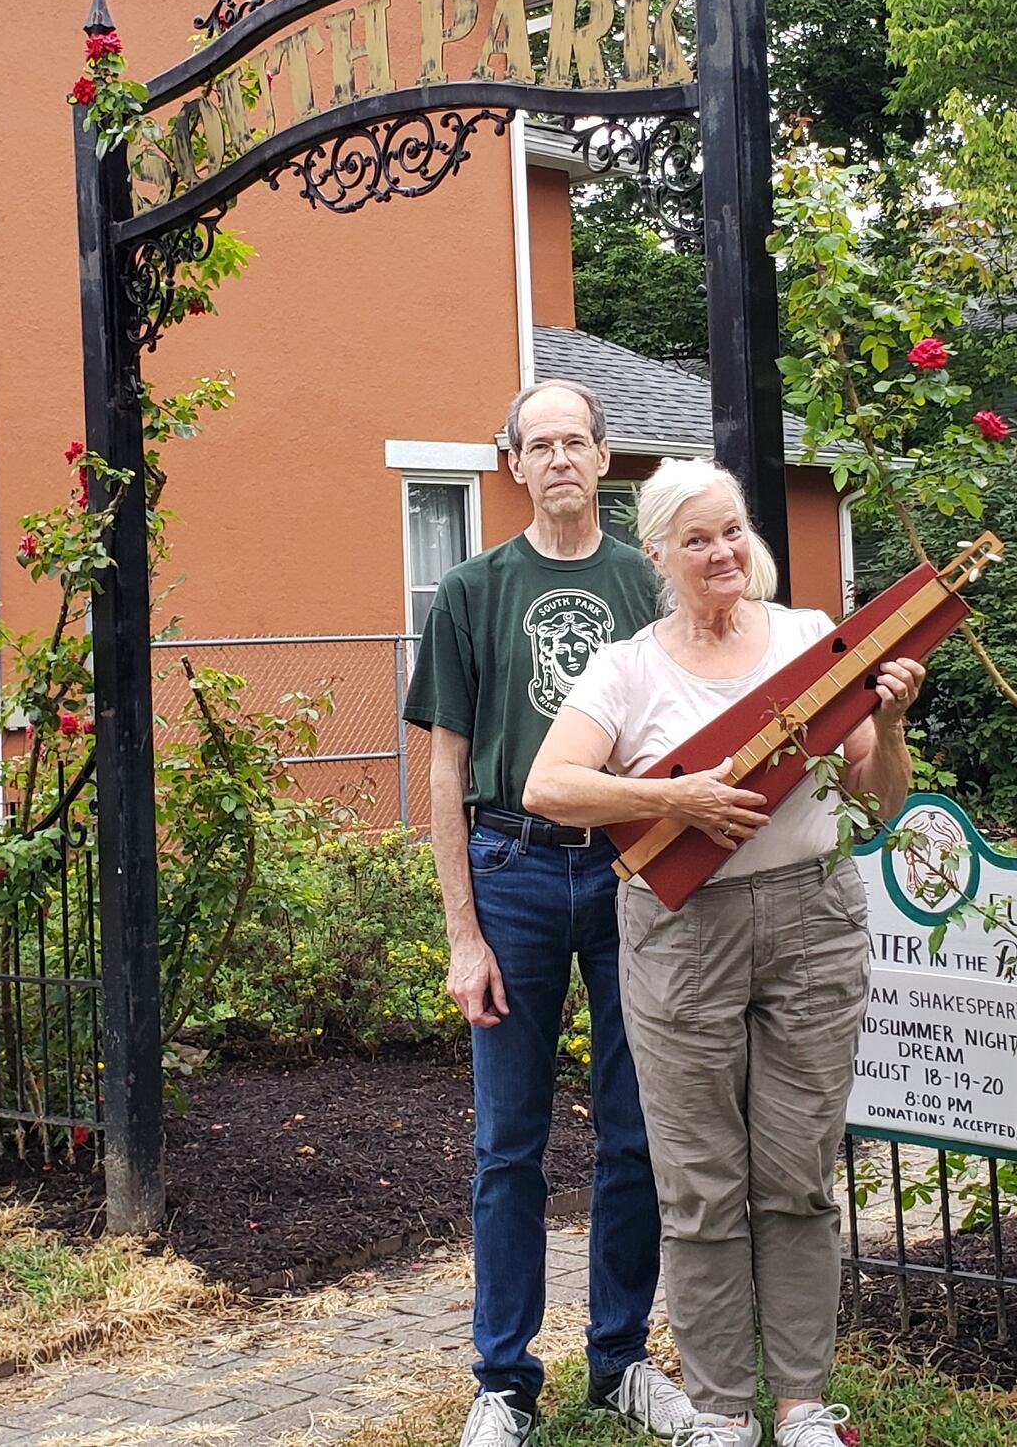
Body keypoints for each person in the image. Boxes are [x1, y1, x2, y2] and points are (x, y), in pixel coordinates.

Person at [525, 458, 925, 1447]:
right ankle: (716, 1412)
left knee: (796, 1177)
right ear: (658, 552)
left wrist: (891, 717)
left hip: (811, 922)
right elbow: (549, 787)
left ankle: (798, 1403)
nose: (722, 553)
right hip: (682, 934)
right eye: (697, 538)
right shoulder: (627, 666)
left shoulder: (807, 644)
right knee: (701, 1185)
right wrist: (672, 798)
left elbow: (880, 804)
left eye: (734, 531)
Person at [403, 382, 695, 1447]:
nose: (561, 458)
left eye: (579, 441)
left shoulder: (648, 583)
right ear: (513, 464)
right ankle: (502, 1382)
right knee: (508, 1145)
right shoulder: (472, 591)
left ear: (605, 459)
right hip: (512, 876)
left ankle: (619, 1361)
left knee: (635, 1134)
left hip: (631, 878)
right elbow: (443, 769)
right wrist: (462, 933)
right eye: (542, 444)